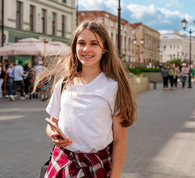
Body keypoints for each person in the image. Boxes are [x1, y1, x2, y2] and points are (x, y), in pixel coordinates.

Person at [34, 20, 137, 177]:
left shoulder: (113, 87)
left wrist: (115, 176)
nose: (86, 49)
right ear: (75, 47)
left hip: (98, 163)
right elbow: (52, 123)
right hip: (63, 161)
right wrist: (52, 134)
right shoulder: (63, 84)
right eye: (81, 43)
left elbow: (120, 140)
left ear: (105, 49)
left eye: (94, 44)